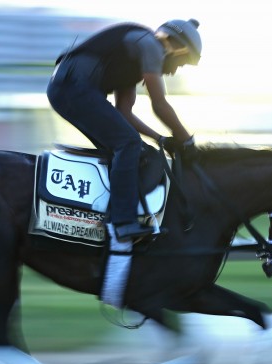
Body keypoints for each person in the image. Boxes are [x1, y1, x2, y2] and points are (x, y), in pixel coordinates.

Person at [47, 19, 202, 241]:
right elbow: (159, 105)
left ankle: (106, 214)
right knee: (128, 144)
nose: (177, 70)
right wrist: (187, 140)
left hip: (68, 89)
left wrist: (160, 139)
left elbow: (124, 113)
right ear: (175, 47)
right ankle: (122, 222)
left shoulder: (134, 55)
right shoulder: (150, 46)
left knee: (133, 148)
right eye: (182, 62)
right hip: (72, 87)